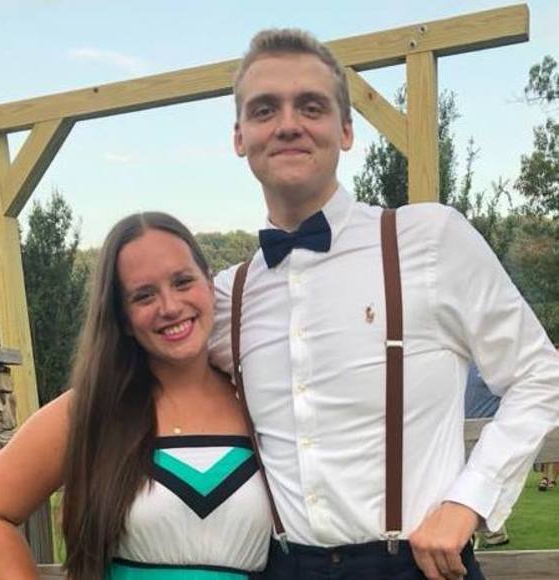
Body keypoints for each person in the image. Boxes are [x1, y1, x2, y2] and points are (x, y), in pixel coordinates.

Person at [209, 29, 559, 580]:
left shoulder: (430, 239)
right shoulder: (228, 296)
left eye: (311, 106)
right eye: (264, 109)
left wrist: (469, 499)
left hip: (416, 566)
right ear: (239, 136)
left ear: (346, 130)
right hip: (283, 566)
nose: (288, 124)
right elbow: (138, 380)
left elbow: (539, 375)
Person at [0, 212, 271, 580]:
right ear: (123, 318)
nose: (170, 306)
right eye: (144, 296)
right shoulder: (93, 410)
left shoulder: (259, 404)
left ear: (210, 285)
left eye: (183, 282)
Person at [464, 365, 509, 548]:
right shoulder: (466, 366)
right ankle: (490, 532)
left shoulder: (494, 366)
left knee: (480, 482)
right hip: (462, 430)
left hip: (486, 433)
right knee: (468, 482)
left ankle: (491, 532)